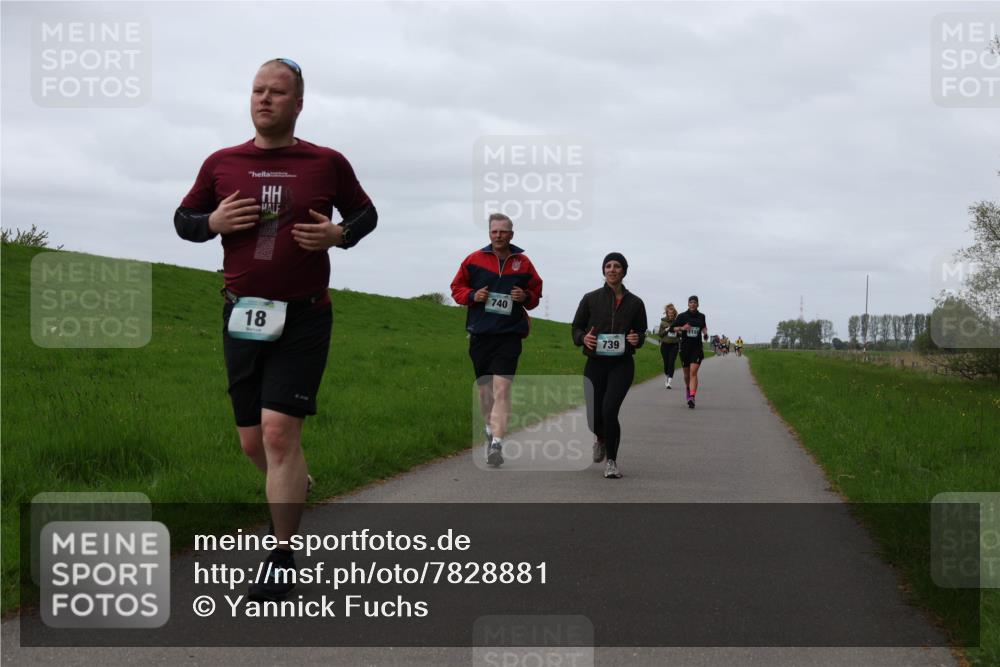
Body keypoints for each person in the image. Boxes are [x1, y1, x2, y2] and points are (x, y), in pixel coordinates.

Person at [174, 58, 376, 601]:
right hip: (241, 314)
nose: (264, 98)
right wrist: (211, 223)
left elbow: (367, 214)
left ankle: (282, 557)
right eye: (258, 90)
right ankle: (293, 482)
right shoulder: (222, 163)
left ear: (298, 103)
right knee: (251, 441)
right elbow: (183, 220)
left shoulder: (326, 162)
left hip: (304, 315)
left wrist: (339, 235)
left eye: (277, 92)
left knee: (279, 433)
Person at [451, 213, 543, 467]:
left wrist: (525, 296)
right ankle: (490, 429)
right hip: (481, 334)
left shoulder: (523, 263)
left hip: (509, 335)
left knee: (502, 389)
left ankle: (497, 445)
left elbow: (536, 293)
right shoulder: (473, 260)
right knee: (486, 393)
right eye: (494, 231)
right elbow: (456, 289)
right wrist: (473, 295)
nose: (498, 236)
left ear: (511, 235)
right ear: (489, 233)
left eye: (503, 232)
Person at [572, 253, 647, 478]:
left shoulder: (635, 303)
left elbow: (641, 332)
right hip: (595, 363)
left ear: (624, 271)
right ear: (603, 270)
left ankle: (612, 461)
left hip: (621, 365)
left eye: (617, 266)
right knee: (594, 417)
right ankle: (601, 438)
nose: (612, 269)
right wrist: (583, 338)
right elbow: (576, 328)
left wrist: (637, 339)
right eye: (608, 266)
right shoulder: (590, 299)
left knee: (609, 410)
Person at [670, 296, 708, 409]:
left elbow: (703, 326)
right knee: (686, 375)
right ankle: (688, 389)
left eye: (694, 302)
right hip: (685, 349)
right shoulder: (682, 316)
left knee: (693, 373)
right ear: (688, 304)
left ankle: (692, 396)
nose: (692, 304)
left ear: (698, 304)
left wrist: (705, 333)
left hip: (697, 348)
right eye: (690, 302)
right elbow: (672, 328)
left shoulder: (702, 316)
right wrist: (682, 328)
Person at [656, 303, 680, 389]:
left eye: (672, 313)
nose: (671, 314)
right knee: (666, 364)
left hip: (674, 345)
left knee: (671, 363)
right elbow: (660, 334)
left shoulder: (677, 322)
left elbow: (681, 334)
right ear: (667, 313)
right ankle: (667, 376)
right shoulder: (663, 322)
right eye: (669, 313)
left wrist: (678, 332)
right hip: (665, 345)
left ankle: (669, 382)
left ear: (674, 313)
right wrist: (667, 329)